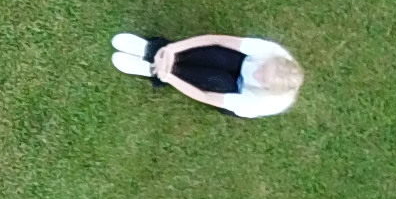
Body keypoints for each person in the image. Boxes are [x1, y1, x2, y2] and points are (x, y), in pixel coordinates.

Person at [113, 31, 304, 119]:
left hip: (234, 90)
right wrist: (172, 48)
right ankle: (156, 50)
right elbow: (217, 40)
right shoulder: (270, 51)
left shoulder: (259, 103)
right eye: (263, 68)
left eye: (262, 79)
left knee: (217, 81)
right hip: (238, 60)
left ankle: (155, 70)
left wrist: (169, 77)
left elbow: (206, 96)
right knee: (218, 57)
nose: (258, 72)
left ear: (267, 89)